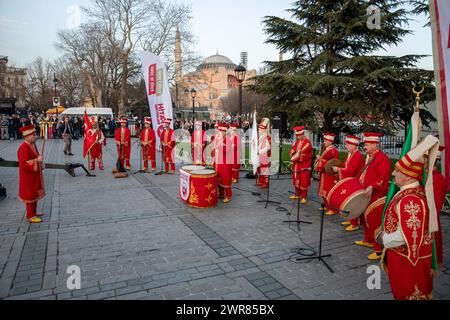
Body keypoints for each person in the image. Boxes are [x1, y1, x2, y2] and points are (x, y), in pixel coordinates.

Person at [376, 135, 439, 300]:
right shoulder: (407, 193)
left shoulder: (410, 199)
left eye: (397, 171)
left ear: (409, 176)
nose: (393, 172)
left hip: (408, 263)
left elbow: (408, 236)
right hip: (405, 259)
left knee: (407, 294)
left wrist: (383, 238)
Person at [355, 132, 391, 260]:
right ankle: (368, 240)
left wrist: (372, 186)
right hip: (366, 194)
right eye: (365, 144)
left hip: (376, 196)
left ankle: (379, 250)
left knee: (374, 221)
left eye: (368, 144)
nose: (365, 147)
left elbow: (383, 179)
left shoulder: (382, 158)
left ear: (376, 144)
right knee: (365, 219)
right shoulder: (370, 156)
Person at [333, 135, 365, 231]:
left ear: (354, 146)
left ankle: (354, 224)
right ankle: (350, 219)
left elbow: (351, 170)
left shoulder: (357, 155)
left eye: (348, 144)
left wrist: (338, 169)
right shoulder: (351, 154)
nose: (346, 146)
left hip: (354, 182)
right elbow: (346, 166)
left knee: (352, 203)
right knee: (348, 201)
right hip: (350, 181)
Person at [17, 124, 45, 223]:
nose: (35, 136)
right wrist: (37, 160)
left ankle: (34, 212)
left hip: (34, 175)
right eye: (33, 135)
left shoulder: (32, 144)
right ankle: (30, 216)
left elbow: (35, 157)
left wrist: (39, 161)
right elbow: (24, 164)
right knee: (30, 195)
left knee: (35, 193)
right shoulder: (23, 147)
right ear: (27, 136)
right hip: (28, 176)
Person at [314, 133, 339, 215]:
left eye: (325, 140)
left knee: (328, 191)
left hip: (329, 174)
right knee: (323, 190)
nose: (324, 142)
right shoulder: (327, 149)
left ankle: (332, 209)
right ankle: (327, 206)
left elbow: (329, 162)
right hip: (325, 173)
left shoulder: (331, 150)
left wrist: (319, 159)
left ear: (330, 141)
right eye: (324, 140)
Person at [289, 126, 313, 204]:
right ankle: (297, 194)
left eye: (299, 135)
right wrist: (292, 152)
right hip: (296, 164)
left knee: (303, 180)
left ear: (303, 134)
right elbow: (294, 148)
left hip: (304, 165)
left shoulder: (307, 143)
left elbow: (304, 154)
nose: (298, 137)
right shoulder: (298, 142)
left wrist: (297, 155)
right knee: (296, 178)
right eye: (297, 136)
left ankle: (304, 197)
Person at [216, 123, 232, 203]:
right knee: (219, 178)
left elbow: (226, 150)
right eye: (219, 131)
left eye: (221, 132)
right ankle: (221, 193)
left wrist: (219, 145)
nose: (219, 133)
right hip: (219, 162)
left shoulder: (228, 139)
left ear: (224, 132)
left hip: (226, 162)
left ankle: (228, 195)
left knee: (225, 178)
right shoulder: (219, 139)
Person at [257, 118, 271, 189]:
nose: (259, 131)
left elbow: (268, 147)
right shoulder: (261, 137)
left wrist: (259, 152)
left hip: (265, 156)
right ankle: (261, 181)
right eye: (259, 130)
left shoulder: (267, 137)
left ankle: (265, 182)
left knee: (264, 169)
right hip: (260, 155)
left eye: (260, 130)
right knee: (260, 168)